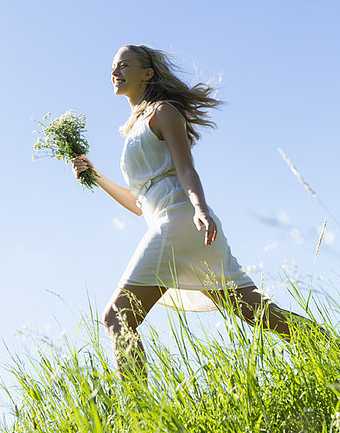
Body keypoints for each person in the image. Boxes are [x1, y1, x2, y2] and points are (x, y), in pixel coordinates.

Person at [72, 44, 319, 379]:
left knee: (117, 317)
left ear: (147, 74)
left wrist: (200, 206)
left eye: (124, 65)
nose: (115, 72)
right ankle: (331, 349)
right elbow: (138, 203)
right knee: (259, 312)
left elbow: (187, 169)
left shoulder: (164, 112)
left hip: (181, 220)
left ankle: (139, 418)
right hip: (170, 222)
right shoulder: (132, 130)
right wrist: (95, 175)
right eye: (113, 67)